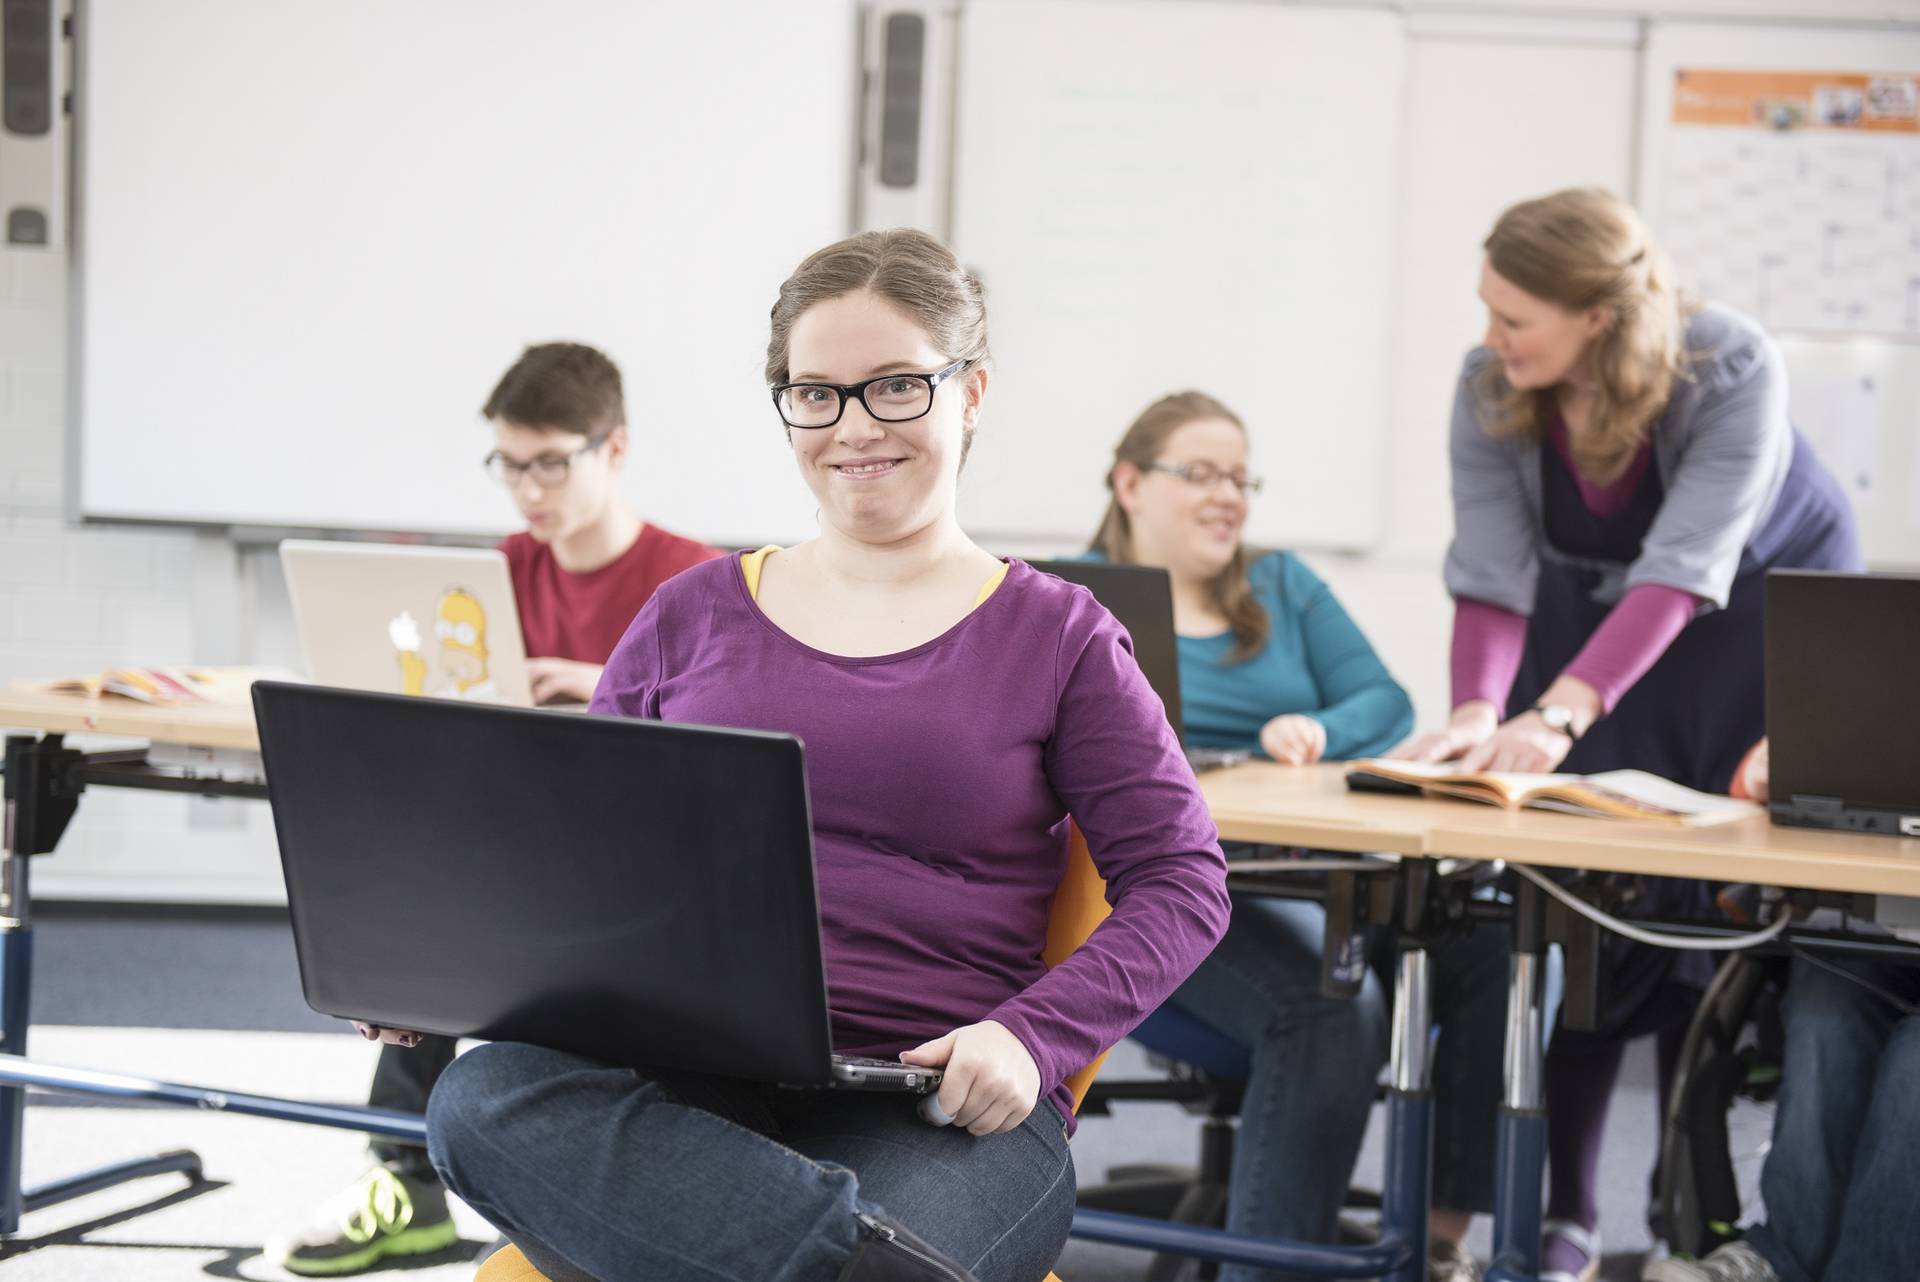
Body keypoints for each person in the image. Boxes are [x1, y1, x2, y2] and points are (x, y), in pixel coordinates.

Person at [408, 229, 1232, 1282]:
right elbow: (585, 865)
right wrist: (450, 966)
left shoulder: (1060, 635)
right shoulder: (687, 614)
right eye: (817, 393)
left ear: (971, 392)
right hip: (685, 1079)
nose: (853, 428)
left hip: (936, 1106)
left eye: (895, 387)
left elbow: (1184, 879)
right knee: (482, 1097)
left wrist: (1031, 1037)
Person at [1396, 188, 1862, 1282]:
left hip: (1755, 609)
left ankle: (1688, 1213)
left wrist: (1561, 708)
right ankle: (1566, 1216)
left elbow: (1685, 569)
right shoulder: (1491, 385)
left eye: (1515, 318)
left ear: (1596, 316)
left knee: (1721, 902)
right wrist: (1481, 709)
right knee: (1582, 899)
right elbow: (1492, 571)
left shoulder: (1730, 365)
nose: (1489, 338)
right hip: (1599, 618)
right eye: (1486, 310)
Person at [267, 341, 719, 1276]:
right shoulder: (495, 574)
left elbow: (735, 732)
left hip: (639, 868)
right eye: (511, 467)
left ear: (615, 448)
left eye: (552, 462)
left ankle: (550, 1182)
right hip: (522, 850)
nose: (529, 491)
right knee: (425, 893)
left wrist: (604, 685)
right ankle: (402, 1181)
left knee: (468, 911)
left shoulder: (691, 580)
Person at [1090, 390, 1526, 1282]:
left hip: (1317, 873)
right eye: (1200, 473)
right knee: (1330, 1006)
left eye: (1241, 478)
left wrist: (1320, 730)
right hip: (1159, 891)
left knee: (1505, 944)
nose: (1230, 497)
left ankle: (1440, 1245)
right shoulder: (1067, 597)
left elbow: (1386, 701)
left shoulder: (1283, 584)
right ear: (1130, 483)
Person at [1645, 742, 1920, 1282]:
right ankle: (1783, 1255)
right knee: (1825, 1005)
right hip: (1888, 924)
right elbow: (1754, 774)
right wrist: (1766, 770)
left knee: (1916, 1059)